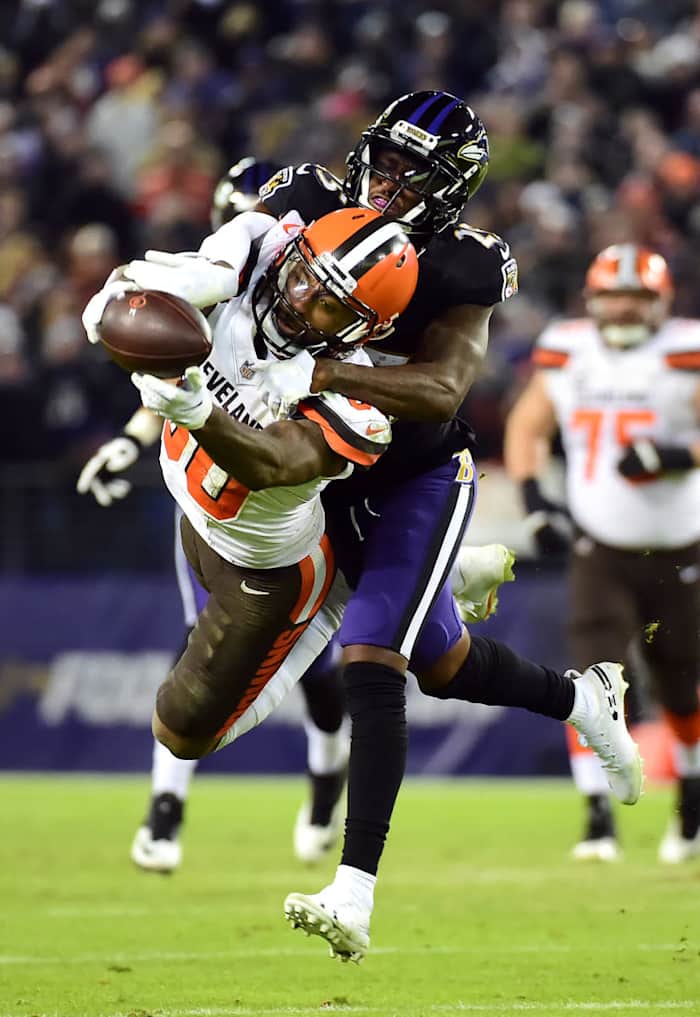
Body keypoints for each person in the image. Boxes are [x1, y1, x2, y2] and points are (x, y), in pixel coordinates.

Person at [231, 91, 643, 962]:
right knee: (448, 664)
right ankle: (582, 698)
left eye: (407, 174)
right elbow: (229, 281)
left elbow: (444, 390)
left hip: (418, 475)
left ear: (448, 188)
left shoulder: (461, 264)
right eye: (379, 161)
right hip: (326, 478)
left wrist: (318, 365)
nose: (381, 183)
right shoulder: (305, 196)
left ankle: (354, 892)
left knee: (374, 659)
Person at [81, 208, 423, 853]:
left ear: (363, 328)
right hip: (198, 521)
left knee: (182, 730)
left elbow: (273, 464)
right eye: (303, 280)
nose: (301, 305)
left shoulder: (362, 399)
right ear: (291, 254)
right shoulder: (251, 253)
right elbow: (135, 294)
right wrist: (114, 305)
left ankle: (344, 600)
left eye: (330, 307)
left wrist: (199, 411)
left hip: (268, 574)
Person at [504, 243, 700, 865]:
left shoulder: (684, 351)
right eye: (613, 294)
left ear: (660, 302)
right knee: (593, 678)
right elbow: (528, 426)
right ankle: (596, 818)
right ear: (591, 298)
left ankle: (691, 803)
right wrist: (537, 497)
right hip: (600, 541)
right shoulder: (569, 349)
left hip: (678, 544)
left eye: (636, 296)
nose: (622, 306)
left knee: (683, 686)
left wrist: (676, 456)